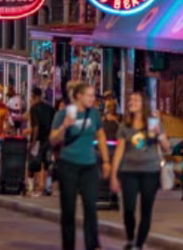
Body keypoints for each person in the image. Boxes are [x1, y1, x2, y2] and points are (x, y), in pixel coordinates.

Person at [50, 80, 111, 250]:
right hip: (68, 165)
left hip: (89, 166)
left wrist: (106, 161)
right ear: (79, 96)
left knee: (91, 207)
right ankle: (68, 245)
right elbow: (53, 140)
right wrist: (64, 127)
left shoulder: (94, 114)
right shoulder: (63, 114)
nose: (93, 99)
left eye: (93, 95)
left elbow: (101, 137)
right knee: (68, 210)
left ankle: (92, 244)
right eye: (89, 95)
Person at [110, 91, 168, 250]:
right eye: (131, 100)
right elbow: (119, 151)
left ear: (144, 104)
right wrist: (114, 174)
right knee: (128, 208)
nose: (132, 102)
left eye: (136, 100)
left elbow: (166, 148)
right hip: (129, 171)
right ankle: (130, 237)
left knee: (146, 208)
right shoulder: (125, 126)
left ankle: (139, 244)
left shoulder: (153, 123)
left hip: (151, 171)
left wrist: (159, 134)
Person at [28, 87, 55, 197]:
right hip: (49, 140)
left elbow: (36, 127)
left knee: (32, 164)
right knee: (48, 164)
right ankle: (48, 187)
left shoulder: (33, 109)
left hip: (38, 140)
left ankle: (31, 187)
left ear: (34, 96)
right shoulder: (50, 108)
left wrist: (32, 142)